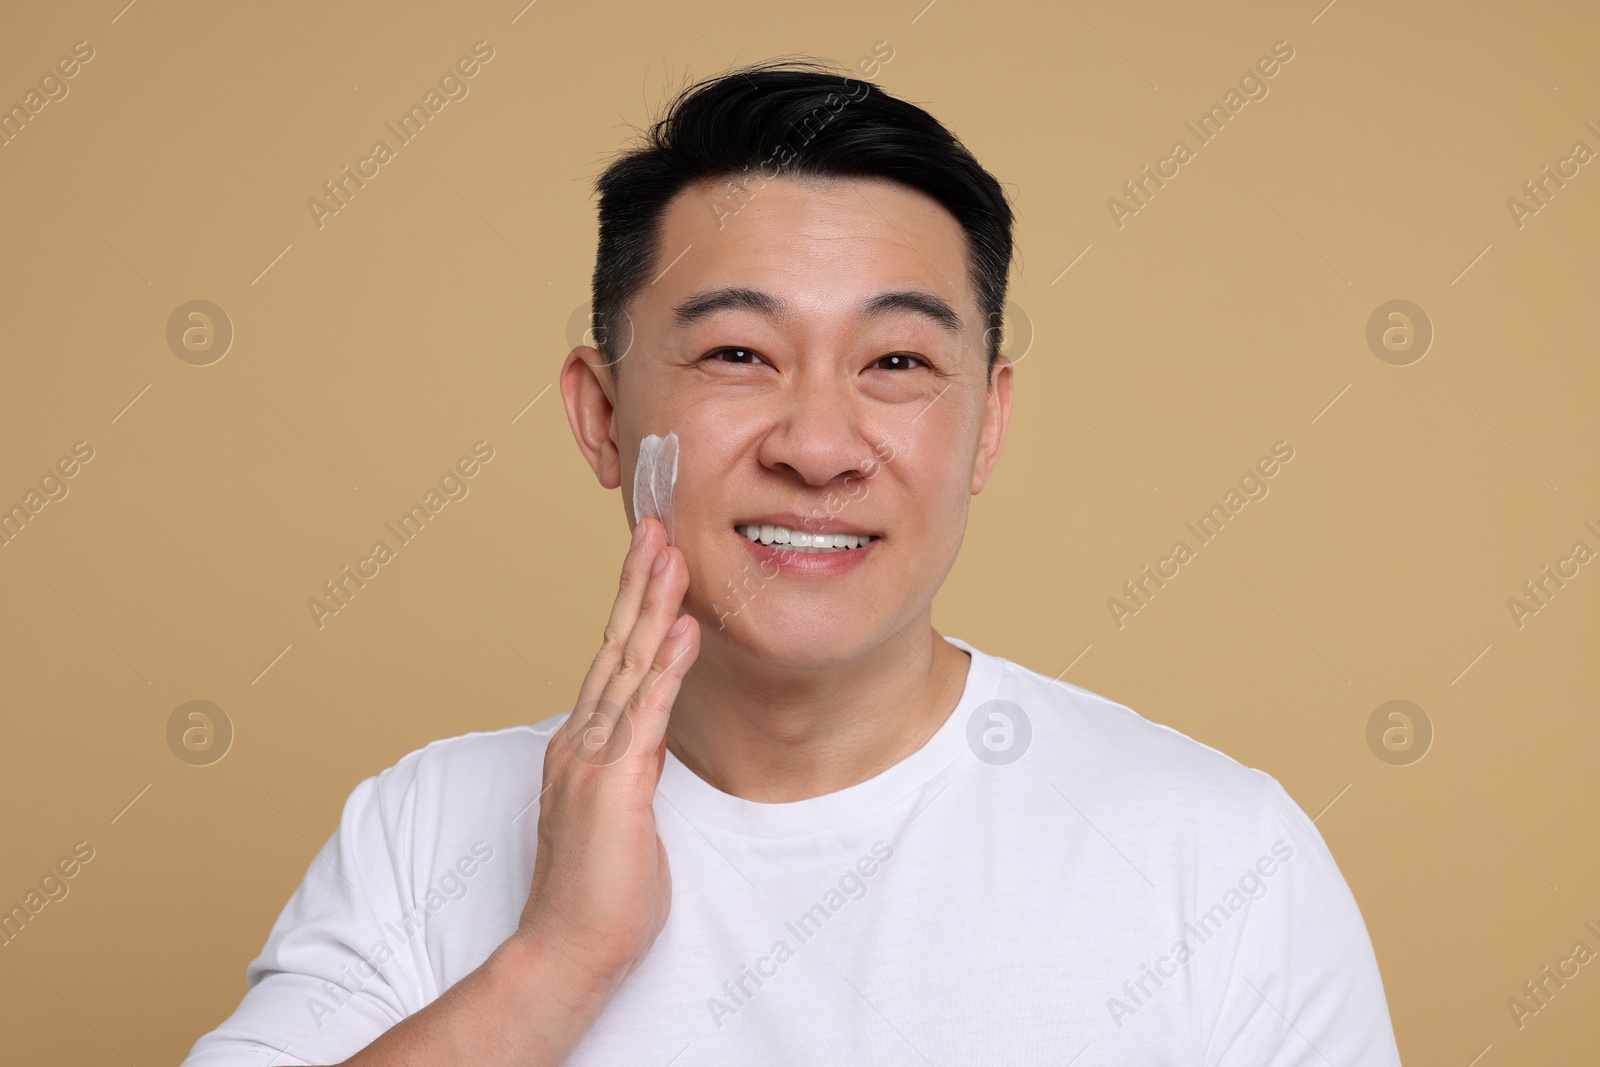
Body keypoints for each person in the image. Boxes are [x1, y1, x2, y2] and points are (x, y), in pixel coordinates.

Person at [180, 57, 1402, 1066]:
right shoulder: (424, 828)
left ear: (986, 424)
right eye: (736, 355)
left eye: (897, 365)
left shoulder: (1216, 855)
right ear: (602, 416)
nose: (818, 447)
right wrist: (554, 963)